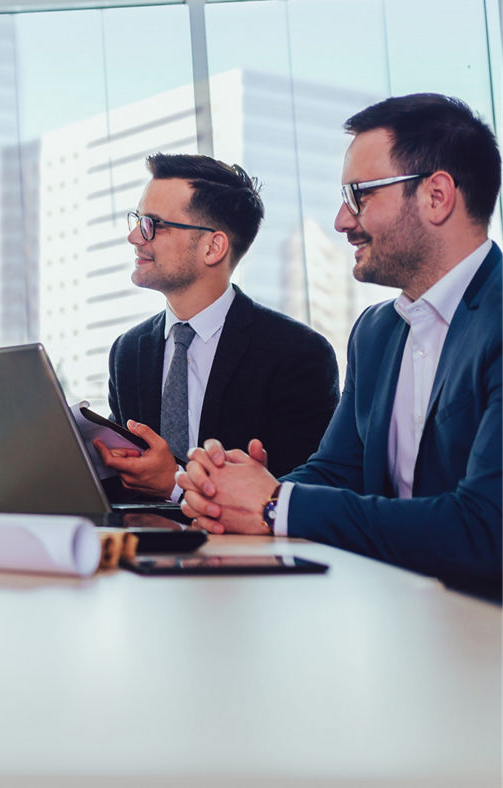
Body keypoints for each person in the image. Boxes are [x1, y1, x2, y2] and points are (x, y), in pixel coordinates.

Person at [179, 93, 501, 592]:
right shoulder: (374, 333)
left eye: (359, 195)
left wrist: (275, 506)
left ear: (437, 196)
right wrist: (237, 490)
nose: (341, 220)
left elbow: (486, 528)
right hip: (390, 616)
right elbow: (337, 470)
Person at [94, 154, 339, 503]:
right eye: (137, 220)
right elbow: (121, 478)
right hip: (144, 551)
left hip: (248, 554)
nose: (135, 236)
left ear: (213, 247)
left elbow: (300, 496)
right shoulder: (129, 350)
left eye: (152, 223)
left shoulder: (297, 354)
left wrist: (176, 483)